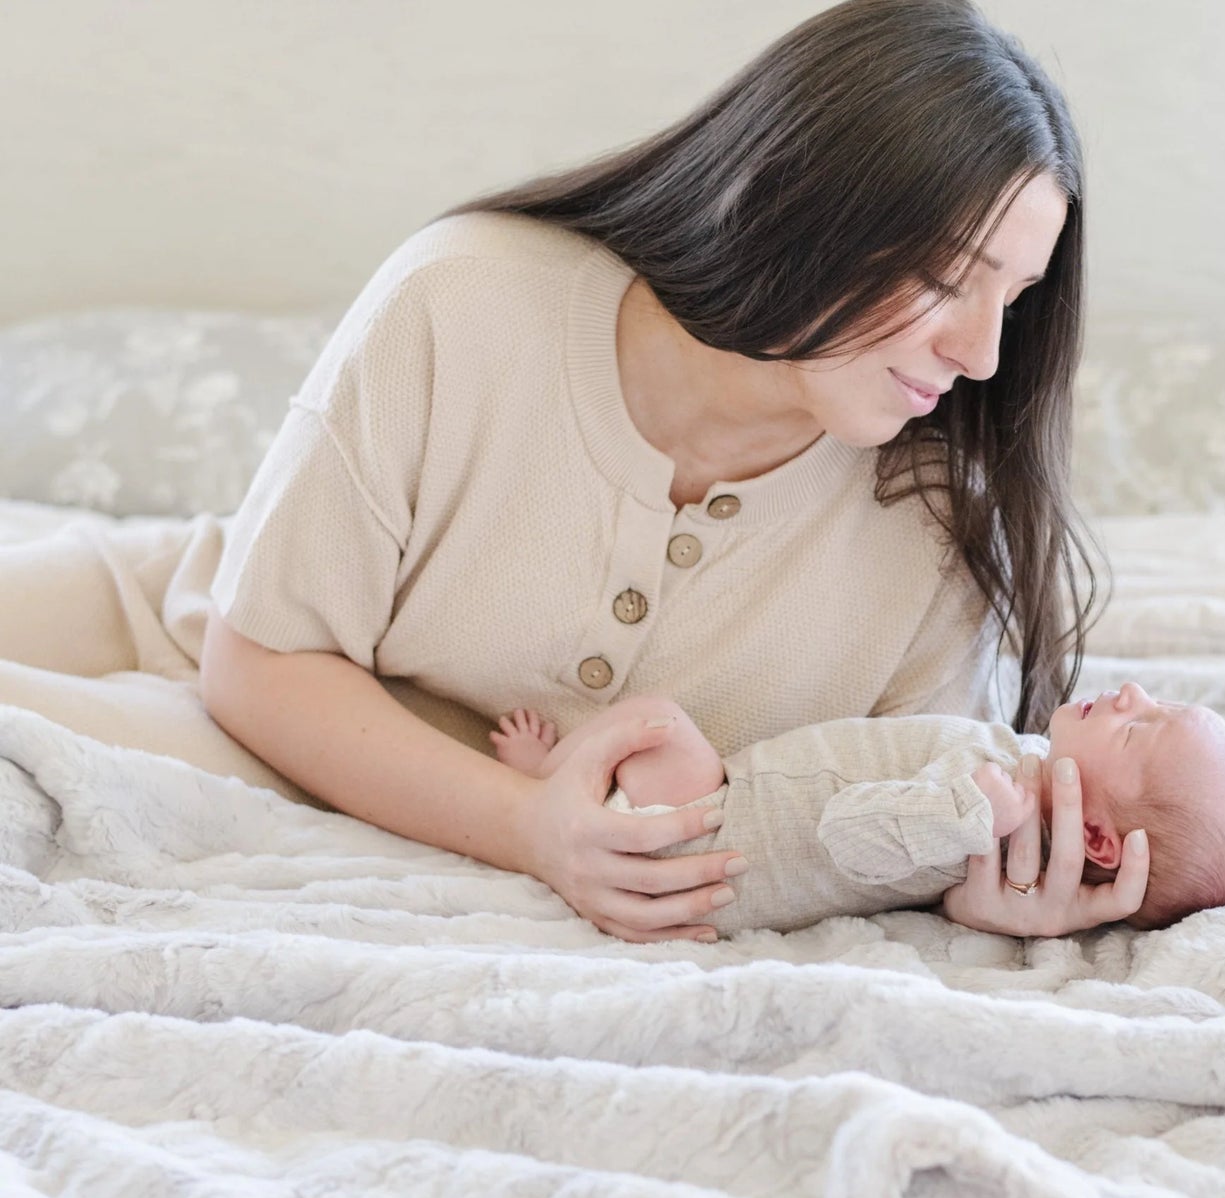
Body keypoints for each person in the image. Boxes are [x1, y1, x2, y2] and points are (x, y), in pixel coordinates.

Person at [196, 0, 1152, 946]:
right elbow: (259, 662)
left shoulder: (939, 523)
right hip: (208, 710)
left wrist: (972, 904)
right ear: (796, 199)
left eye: (1014, 300)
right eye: (947, 277)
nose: (982, 354)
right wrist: (529, 829)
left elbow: (898, 817)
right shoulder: (459, 301)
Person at [486, 681, 1225, 936]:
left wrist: (964, 813)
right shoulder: (1012, 795)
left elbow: (848, 836)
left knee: (654, 721)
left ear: (1096, 834)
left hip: (716, 829)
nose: (1130, 694)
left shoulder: (984, 806)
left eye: (1137, 728)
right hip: (726, 818)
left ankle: (546, 779)